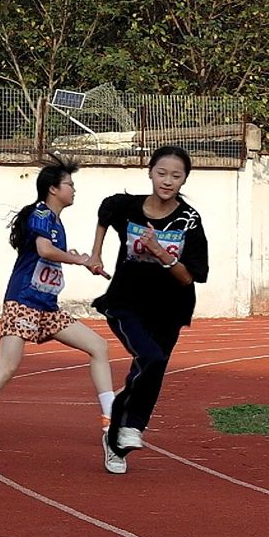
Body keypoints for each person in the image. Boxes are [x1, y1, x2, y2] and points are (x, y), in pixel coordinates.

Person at [0, 157, 115, 451]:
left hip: (48, 307)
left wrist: (82, 260)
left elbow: (51, 253)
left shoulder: (56, 222)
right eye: (69, 184)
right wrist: (78, 259)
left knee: (98, 347)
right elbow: (44, 250)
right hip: (24, 301)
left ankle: (111, 419)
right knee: (7, 365)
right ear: (53, 189)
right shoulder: (41, 213)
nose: (74, 190)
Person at [88, 145, 209, 475]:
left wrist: (161, 252)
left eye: (176, 176)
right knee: (150, 359)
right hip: (126, 303)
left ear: (184, 180)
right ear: (150, 172)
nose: (167, 181)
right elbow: (105, 210)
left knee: (149, 370)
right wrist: (96, 254)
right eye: (161, 173)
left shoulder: (189, 220)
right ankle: (129, 425)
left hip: (170, 308)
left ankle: (121, 436)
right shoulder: (128, 207)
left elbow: (189, 277)